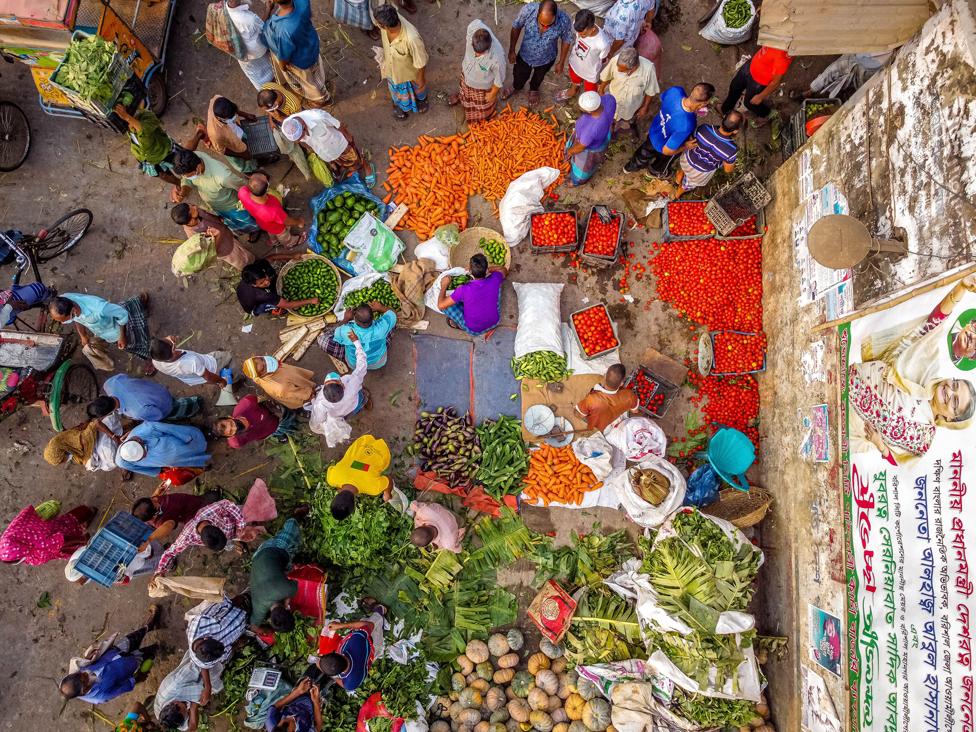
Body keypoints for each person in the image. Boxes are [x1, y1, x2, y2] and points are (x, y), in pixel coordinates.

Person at [860, 275, 976, 391]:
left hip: (888, 388)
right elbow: (935, 319)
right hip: (880, 353)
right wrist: (961, 287)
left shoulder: (947, 378)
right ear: (970, 323)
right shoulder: (943, 327)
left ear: (972, 358)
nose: (973, 337)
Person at [849, 365, 974, 464]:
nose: (949, 391)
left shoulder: (924, 438)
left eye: (955, 401)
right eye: (955, 384)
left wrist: (879, 443)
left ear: (950, 418)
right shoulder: (924, 368)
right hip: (850, 378)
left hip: (853, 430)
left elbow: (898, 461)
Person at [59, 605, 161, 705]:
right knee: (148, 652)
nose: (86, 673)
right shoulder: (101, 696)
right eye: (85, 678)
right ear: (84, 690)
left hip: (115, 651)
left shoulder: (76, 673)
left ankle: (150, 625)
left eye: (81, 673)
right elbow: (123, 688)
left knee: (135, 636)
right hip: (128, 666)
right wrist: (136, 679)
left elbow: (83, 662)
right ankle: (158, 647)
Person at [624, 82, 714, 177]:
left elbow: (662, 98)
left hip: (654, 131)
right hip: (663, 145)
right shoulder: (687, 124)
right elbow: (667, 151)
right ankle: (654, 171)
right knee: (664, 160)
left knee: (643, 153)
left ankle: (629, 167)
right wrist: (685, 146)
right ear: (703, 104)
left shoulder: (676, 91)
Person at [48, 292, 153, 372]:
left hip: (117, 328)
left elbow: (122, 314)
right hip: (104, 329)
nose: (63, 323)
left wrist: (122, 337)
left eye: (65, 320)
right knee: (123, 308)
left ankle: (151, 357)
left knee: (137, 343)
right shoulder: (65, 300)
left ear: (73, 311)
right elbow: (77, 320)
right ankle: (139, 303)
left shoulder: (99, 308)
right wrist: (83, 335)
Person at [171, 149, 258, 235]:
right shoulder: (193, 157)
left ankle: (255, 230)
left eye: (188, 176)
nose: (186, 177)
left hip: (233, 207)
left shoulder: (224, 177)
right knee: (231, 222)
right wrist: (184, 190)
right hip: (216, 206)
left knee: (247, 221)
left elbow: (244, 188)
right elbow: (187, 180)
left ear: (198, 168)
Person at [261, 0, 331, 107]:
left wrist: (283, 67)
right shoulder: (302, 2)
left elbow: (284, 56)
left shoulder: (283, 30)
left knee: (310, 83)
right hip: (310, 46)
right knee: (315, 75)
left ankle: (322, 99)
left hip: (299, 61)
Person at [154, 499, 249, 575]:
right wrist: (159, 571)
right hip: (230, 536)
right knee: (229, 543)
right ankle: (236, 542)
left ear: (215, 525)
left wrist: (241, 525)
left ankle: (240, 535)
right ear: (202, 542)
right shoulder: (187, 536)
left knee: (251, 513)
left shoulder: (210, 511)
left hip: (235, 519)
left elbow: (228, 504)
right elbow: (170, 553)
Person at [508, 0, 574, 106]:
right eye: (542, 23)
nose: (544, 27)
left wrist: (561, 62)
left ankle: (534, 89)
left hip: (547, 58)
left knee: (539, 77)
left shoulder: (564, 20)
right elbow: (516, 26)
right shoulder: (528, 10)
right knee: (519, 74)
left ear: (555, 16)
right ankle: (517, 86)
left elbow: (566, 40)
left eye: (549, 25)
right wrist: (512, 50)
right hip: (525, 55)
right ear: (538, 13)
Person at [308, 336, 368, 447]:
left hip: (341, 414)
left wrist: (312, 400)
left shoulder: (320, 402)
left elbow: (319, 419)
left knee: (347, 414)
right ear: (342, 386)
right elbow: (362, 364)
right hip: (354, 405)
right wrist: (356, 343)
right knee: (362, 395)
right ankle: (365, 401)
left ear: (323, 390)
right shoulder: (352, 384)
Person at [280, 110, 371, 181]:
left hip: (339, 145)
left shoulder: (318, 117)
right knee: (339, 161)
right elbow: (301, 141)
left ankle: (367, 167)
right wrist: (310, 148)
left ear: (303, 126)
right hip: (324, 152)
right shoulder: (287, 126)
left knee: (355, 159)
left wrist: (348, 137)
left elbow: (338, 125)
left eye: (301, 137)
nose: (301, 139)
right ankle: (350, 168)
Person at [375, 5, 430, 120]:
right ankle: (400, 105)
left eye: (379, 24)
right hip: (392, 68)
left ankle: (422, 99)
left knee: (418, 88)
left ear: (384, 26)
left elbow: (421, 62)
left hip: (409, 73)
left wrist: (420, 80)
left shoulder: (412, 39)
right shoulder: (391, 20)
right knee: (395, 90)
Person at [249, 518, 302, 633]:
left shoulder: (286, 590)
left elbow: (299, 585)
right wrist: (269, 629)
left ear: (288, 608)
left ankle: (297, 515)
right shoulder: (259, 608)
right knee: (287, 567)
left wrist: (288, 598)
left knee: (292, 530)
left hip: (272, 549)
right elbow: (254, 626)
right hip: (256, 559)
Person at [315, 606, 385, 691]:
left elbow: (344, 684)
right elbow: (368, 625)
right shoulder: (355, 642)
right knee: (374, 622)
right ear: (339, 654)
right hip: (372, 642)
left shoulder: (351, 683)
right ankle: (381, 611)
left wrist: (328, 672)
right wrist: (340, 626)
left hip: (367, 659)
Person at [187, 597, 249, 693]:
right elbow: (204, 666)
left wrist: (244, 601)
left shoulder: (200, 622)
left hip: (242, 604)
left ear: (206, 637)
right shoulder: (203, 659)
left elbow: (226, 603)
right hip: (245, 624)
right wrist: (237, 645)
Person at [0, 503, 94, 566]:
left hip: (62, 541)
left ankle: (89, 515)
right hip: (53, 528)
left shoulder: (40, 546)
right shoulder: (19, 533)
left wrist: (82, 539)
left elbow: (63, 541)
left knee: (72, 527)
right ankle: (87, 512)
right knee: (67, 521)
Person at [170, 203, 256, 271]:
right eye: (193, 210)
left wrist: (219, 220)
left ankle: (252, 259)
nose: (196, 207)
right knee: (242, 262)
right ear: (191, 221)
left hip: (228, 235)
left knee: (243, 251)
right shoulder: (194, 236)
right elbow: (211, 252)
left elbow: (208, 215)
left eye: (192, 206)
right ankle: (252, 269)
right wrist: (217, 236)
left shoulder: (193, 210)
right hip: (226, 250)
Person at [450, 20, 506, 124]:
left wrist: (492, 94)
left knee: (481, 108)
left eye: (480, 54)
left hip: (482, 86)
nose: (476, 56)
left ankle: (480, 120)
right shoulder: (473, 27)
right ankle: (462, 99)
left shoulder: (497, 57)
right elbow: (476, 21)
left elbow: (499, 79)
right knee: (464, 92)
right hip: (467, 74)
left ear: (488, 48)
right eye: (474, 51)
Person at [437, 253, 507, 335]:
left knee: (446, 305)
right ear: (486, 269)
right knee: (497, 286)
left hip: (475, 330)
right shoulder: (495, 278)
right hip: (495, 322)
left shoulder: (463, 289)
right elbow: (504, 270)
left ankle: (462, 326)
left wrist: (444, 285)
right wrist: (488, 270)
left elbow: (440, 305)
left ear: (470, 271)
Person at [89, 373, 203, 423]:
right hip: (154, 388)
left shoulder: (138, 411)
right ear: (103, 396)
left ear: (110, 412)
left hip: (164, 403)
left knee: (177, 409)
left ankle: (197, 404)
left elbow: (158, 415)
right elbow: (124, 376)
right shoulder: (111, 384)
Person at [154, 650, 223, 732]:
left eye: (186, 710)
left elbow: (200, 660)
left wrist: (208, 687)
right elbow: (192, 727)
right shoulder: (169, 717)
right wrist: (194, 707)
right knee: (204, 694)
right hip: (189, 686)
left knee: (216, 657)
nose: (187, 709)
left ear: (174, 703)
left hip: (200, 658)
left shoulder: (178, 682)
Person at [674, 111, 742, 194]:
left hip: (687, 160)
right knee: (687, 185)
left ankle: (677, 181)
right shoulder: (731, 150)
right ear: (735, 131)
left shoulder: (704, 128)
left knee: (682, 169)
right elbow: (728, 170)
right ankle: (676, 195)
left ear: (723, 118)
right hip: (699, 173)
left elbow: (691, 141)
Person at [598, 47, 659, 139]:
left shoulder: (649, 69)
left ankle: (622, 127)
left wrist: (645, 107)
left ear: (633, 68)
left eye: (622, 70)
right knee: (609, 117)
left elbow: (650, 91)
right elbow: (606, 76)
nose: (618, 70)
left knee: (627, 118)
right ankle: (609, 128)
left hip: (631, 106)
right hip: (613, 99)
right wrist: (601, 89)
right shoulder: (616, 60)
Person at [255, 83, 312, 180]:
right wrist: (271, 119)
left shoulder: (293, 105)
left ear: (275, 105)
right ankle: (292, 154)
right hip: (278, 125)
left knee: (295, 151)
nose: (268, 112)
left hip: (292, 126)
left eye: (269, 110)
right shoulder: (267, 88)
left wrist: (280, 118)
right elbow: (268, 111)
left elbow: (297, 122)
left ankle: (306, 172)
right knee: (287, 148)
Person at [720, 45, 793, 120]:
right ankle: (725, 110)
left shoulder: (782, 57)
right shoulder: (773, 39)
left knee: (750, 103)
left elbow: (776, 82)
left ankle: (766, 114)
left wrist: (760, 97)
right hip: (751, 66)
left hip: (760, 81)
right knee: (734, 87)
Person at [113, 105, 181, 185]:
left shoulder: (147, 116)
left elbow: (144, 131)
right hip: (146, 158)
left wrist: (127, 117)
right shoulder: (127, 125)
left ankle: (190, 178)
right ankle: (179, 183)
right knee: (163, 175)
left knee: (181, 164)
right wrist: (128, 120)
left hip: (163, 151)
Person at [116, 422, 211, 479]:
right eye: (142, 456)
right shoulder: (123, 462)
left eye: (144, 450)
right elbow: (152, 471)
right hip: (175, 457)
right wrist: (161, 470)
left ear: (137, 439)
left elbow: (172, 429)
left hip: (178, 449)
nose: (145, 455)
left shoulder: (148, 428)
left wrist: (186, 438)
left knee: (193, 450)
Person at [238, 172, 305, 248]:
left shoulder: (242, 192)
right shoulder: (272, 210)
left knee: (271, 232)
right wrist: (299, 222)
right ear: (267, 189)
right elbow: (287, 221)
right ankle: (290, 243)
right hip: (278, 228)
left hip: (262, 223)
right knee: (284, 236)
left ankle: (274, 241)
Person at [556, 10, 611, 103]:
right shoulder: (577, 24)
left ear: (593, 29)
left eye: (584, 34)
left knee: (590, 91)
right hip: (575, 62)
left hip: (590, 72)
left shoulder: (603, 43)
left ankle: (589, 103)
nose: (581, 36)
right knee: (574, 78)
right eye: (579, 33)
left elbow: (603, 58)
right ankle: (574, 89)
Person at [565, 90, 616, 186]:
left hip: (591, 148)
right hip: (604, 135)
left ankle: (576, 181)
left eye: (581, 108)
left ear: (589, 111)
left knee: (583, 169)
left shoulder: (590, 130)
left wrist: (570, 152)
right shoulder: (609, 99)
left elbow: (581, 147)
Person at [44, 414, 126, 474]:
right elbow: (82, 426)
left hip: (105, 434)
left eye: (62, 460)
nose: (63, 462)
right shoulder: (69, 445)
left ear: (63, 451)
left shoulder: (81, 440)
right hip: (99, 442)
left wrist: (115, 438)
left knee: (110, 455)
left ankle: (125, 455)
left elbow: (96, 423)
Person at [797, 50, 893, 100]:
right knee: (838, 73)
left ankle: (813, 89)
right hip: (866, 66)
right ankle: (813, 89)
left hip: (861, 67)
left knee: (836, 71)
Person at [236, 258, 319, 316]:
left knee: (271, 277)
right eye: (262, 283)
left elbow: (272, 257)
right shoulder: (263, 295)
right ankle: (276, 311)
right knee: (274, 304)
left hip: (245, 292)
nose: (267, 281)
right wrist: (310, 301)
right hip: (254, 307)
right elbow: (288, 305)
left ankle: (272, 295)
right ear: (254, 285)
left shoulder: (256, 269)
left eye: (265, 277)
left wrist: (291, 256)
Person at [132, 490, 214, 547]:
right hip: (193, 512)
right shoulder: (163, 521)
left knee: (196, 500)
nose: (156, 499)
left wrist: (157, 492)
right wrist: (149, 539)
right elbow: (168, 526)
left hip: (189, 501)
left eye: (151, 499)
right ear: (154, 515)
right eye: (154, 502)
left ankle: (202, 499)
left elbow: (151, 500)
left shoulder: (144, 514)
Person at [327, 303, 397, 370]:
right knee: (391, 325)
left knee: (322, 339)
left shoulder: (346, 331)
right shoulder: (382, 327)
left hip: (355, 365)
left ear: (354, 319)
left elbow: (335, 333)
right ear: (373, 317)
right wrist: (381, 308)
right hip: (378, 362)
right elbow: (393, 315)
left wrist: (346, 319)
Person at [212, 394, 297, 447]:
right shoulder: (237, 442)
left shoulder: (247, 404)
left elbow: (259, 397)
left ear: (229, 417)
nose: (235, 427)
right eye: (231, 431)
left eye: (231, 423)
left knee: (291, 417)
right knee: (277, 431)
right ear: (230, 437)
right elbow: (235, 443)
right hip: (268, 431)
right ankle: (279, 434)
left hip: (277, 417)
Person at [225, 0, 275, 90]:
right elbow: (262, 26)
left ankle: (267, 92)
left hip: (242, 55)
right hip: (256, 53)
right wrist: (268, 9)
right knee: (271, 70)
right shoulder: (248, 19)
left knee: (257, 77)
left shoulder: (223, 9)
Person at [202, 96, 259, 173]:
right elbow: (222, 150)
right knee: (242, 165)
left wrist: (245, 114)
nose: (234, 117)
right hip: (231, 148)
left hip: (236, 133)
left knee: (246, 147)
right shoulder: (215, 134)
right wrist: (242, 155)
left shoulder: (218, 99)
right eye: (230, 117)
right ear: (219, 118)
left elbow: (234, 110)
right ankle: (248, 172)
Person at [151, 336, 234, 389]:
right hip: (212, 367)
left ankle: (226, 383)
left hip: (195, 379)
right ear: (173, 349)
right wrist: (221, 381)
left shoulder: (156, 361)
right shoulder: (191, 362)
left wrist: (168, 339)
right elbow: (208, 377)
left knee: (209, 380)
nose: (167, 338)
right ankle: (234, 380)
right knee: (228, 358)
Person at [575, 363, 639, 431]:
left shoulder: (591, 399)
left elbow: (579, 415)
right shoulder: (630, 395)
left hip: (598, 425)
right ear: (621, 383)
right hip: (615, 424)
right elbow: (635, 411)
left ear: (605, 376)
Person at [242, 355, 317, 409]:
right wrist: (311, 394)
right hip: (294, 392)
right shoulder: (281, 387)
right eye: (263, 368)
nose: (267, 362)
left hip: (288, 378)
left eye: (262, 359)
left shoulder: (257, 377)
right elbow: (303, 394)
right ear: (261, 375)